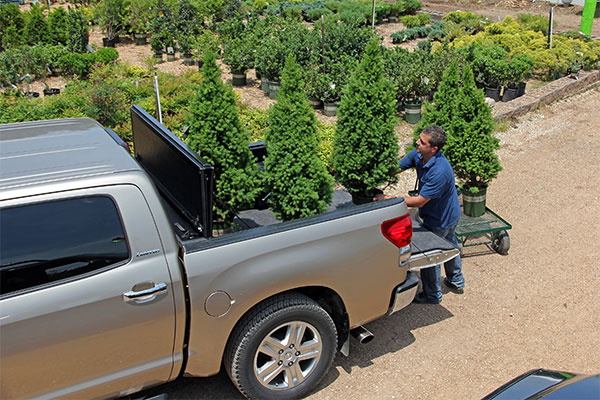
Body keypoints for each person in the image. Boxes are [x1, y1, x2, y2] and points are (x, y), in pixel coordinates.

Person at [375, 125, 464, 304]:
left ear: (434, 149)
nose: (417, 141)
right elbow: (399, 166)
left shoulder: (440, 170)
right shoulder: (419, 154)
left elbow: (420, 201)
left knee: (432, 256)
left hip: (441, 218)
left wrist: (389, 198)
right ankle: (456, 280)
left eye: (422, 142)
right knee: (450, 244)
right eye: (419, 138)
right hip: (444, 213)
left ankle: (432, 295)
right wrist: (377, 174)